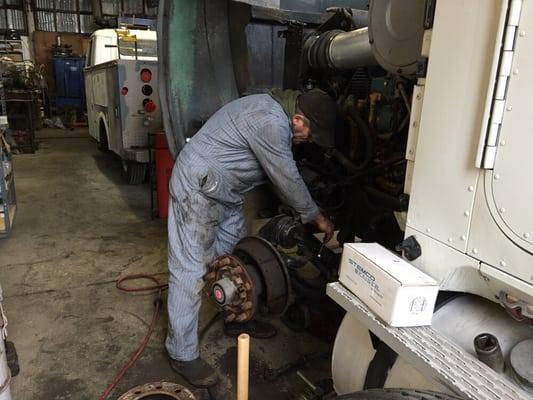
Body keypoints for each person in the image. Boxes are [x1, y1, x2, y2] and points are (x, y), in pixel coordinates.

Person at [166, 88, 336, 387]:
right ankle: (182, 353)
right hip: (198, 185)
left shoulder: (274, 110)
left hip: (225, 190)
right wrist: (315, 215)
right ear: (297, 119)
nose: (308, 140)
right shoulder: (271, 121)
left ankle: (235, 317)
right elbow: (287, 178)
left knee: (235, 259)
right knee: (191, 269)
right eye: (310, 133)